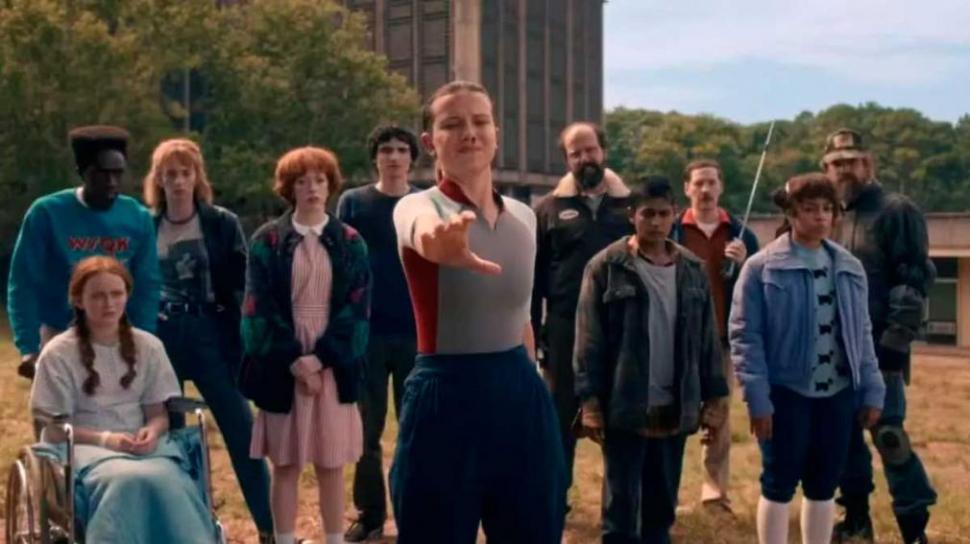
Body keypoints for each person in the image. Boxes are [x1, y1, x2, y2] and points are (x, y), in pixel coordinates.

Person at [389, 81, 566, 543]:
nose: (469, 132)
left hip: (520, 394)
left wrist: (528, 386)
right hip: (444, 397)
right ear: (430, 142)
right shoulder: (418, 205)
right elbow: (420, 228)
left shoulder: (524, 218)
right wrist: (436, 242)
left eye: (480, 121)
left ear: (496, 134)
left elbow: (522, 318)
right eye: (452, 124)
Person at [730, 173, 885, 544]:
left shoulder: (849, 266)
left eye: (827, 209)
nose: (820, 217)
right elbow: (745, 337)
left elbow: (862, 334)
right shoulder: (761, 267)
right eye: (810, 209)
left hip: (838, 394)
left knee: (824, 482)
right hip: (785, 393)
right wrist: (757, 398)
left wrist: (872, 390)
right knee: (778, 481)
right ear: (791, 213)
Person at [573, 177, 729, 544]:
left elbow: (707, 340)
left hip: (675, 405)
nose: (656, 222)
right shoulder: (606, 266)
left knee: (661, 509)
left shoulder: (692, 269)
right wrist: (590, 401)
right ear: (632, 216)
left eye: (663, 214)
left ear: (675, 214)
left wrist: (714, 399)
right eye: (647, 214)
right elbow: (589, 339)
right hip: (625, 404)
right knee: (621, 510)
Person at [29, 256, 218, 543]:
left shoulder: (148, 346)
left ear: (127, 296)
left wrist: (151, 431)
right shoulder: (58, 353)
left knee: (171, 480)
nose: (109, 303)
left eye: (116, 294)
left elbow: (158, 413)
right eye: (98, 296)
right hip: (83, 446)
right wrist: (108, 440)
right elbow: (55, 428)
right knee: (125, 479)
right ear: (79, 300)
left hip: (143, 447)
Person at [143, 138, 274, 542]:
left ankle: (271, 528)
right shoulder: (146, 225)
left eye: (185, 173)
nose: (178, 182)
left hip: (211, 334)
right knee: (172, 439)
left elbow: (244, 284)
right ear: (159, 180)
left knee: (241, 430)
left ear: (197, 177)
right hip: (161, 337)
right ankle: (186, 529)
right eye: (170, 174)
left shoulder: (220, 222)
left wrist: (248, 336)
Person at [239, 147, 370, 544]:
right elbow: (258, 306)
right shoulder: (267, 240)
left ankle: (333, 538)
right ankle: (283, 538)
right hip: (284, 361)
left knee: (331, 464)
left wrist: (320, 360)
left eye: (319, 180)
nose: (312, 188)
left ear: (330, 186)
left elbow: (358, 308)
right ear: (288, 188)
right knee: (285, 463)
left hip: (333, 362)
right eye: (302, 181)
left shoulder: (350, 241)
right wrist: (295, 360)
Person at [821, 129, 937, 544]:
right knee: (842, 440)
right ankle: (855, 521)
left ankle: (914, 526)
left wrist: (895, 342)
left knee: (889, 436)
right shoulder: (827, 216)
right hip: (833, 352)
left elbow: (914, 279)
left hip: (880, 351)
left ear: (868, 164)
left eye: (852, 161)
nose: (844, 170)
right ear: (826, 169)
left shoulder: (895, 210)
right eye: (836, 164)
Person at [9, 125, 160, 380]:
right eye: (102, 174)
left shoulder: (137, 218)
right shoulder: (46, 213)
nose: (112, 183)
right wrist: (28, 347)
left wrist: (142, 339)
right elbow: (24, 283)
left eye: (118, 174)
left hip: (116, 334)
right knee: (56, 403)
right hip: (58, 331)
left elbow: (148, 285)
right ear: (83, 172)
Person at [532, 122, 633, 501]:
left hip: (623, 328)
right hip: (565, 330)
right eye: (575, 153)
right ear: (566, 160)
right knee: (560, 421)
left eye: (590, 150)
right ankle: (555, 502)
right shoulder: (548, 209)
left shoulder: (631, 206)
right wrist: (534, 334)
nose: (584, 158)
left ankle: (620, 508)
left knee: (622, 421)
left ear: (603, 151)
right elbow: (534, 281)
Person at [336, 125, 420, 542]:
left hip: (416, 332)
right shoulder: (353, 203)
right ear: (375, 157)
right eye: (386, 150)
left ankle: (414, 514)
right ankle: (369, 516)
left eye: (402, 150)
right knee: (366, 432)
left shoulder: (425, 203)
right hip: (366, 334)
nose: (394, 156)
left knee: (415, 430)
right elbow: (338, 262)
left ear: (412, 159)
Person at [669, 159, 759, 512]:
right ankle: (665, 492)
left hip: (722, 340)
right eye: (698, 183)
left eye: (711, 183)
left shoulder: (741, 234)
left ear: (720, 187)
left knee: (719, 418)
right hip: (679, 338)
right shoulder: (673, 230)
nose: (705, 190)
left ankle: (714, 494)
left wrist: (746, 261)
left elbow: (759, 286)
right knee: (673, 414)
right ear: (687, 188)